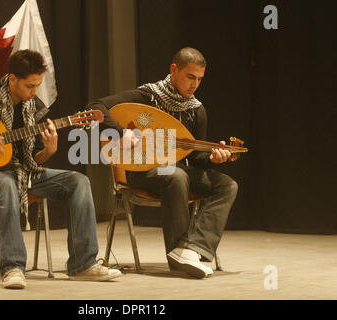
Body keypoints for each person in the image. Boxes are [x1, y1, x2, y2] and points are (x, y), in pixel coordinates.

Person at [0, 49, 122, 289]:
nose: (35, 92)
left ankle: (83, 265)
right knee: (5, 182)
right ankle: (12, 268)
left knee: (78, 181)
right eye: (30, 86)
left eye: (38, 85)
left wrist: (49, 151)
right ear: (12, 79)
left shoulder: (36, 108)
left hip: (22, 171)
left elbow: (35, 159)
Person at [88, 47, 238, 279]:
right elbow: (95, 106)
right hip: (141, 170)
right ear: (174, 69)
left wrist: (212, 156)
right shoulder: (147, 96)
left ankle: (191, 249)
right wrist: (120, 132)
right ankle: (178, 254)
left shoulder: (196, 110)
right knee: (176, 175)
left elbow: (194, 157)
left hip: (179, 170)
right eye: (190, 77)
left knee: (227, 185)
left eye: (199, 79)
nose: (194, 84)